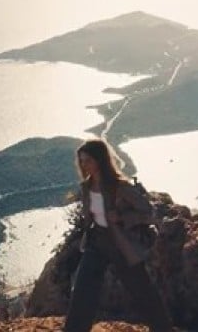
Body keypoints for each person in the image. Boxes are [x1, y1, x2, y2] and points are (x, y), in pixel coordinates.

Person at [64, 139, 174, 332]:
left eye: (88, 160)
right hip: (96, 241)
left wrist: (122, 217)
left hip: (121, 244)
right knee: (82, 291)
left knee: (142, 291)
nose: (84, 165)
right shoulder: (87, 187)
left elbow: (149, 212)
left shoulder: (120, 187)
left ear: (100, 160)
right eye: (81, 161)